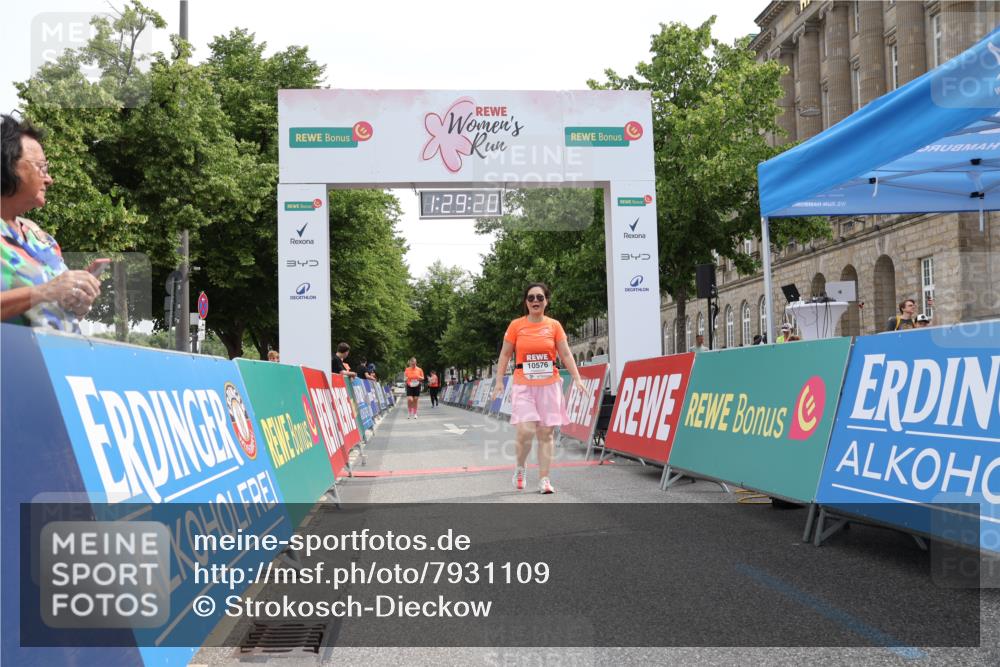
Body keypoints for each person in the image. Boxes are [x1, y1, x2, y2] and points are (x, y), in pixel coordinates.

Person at [1, 115, 101, 331]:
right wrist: (44, 291)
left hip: (56, 352)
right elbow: (45, 292)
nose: (49, 179)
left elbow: (54, 313)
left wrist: (77, 302)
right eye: (42, 168)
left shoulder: (42, 239)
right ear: (8, 165)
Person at [492, 282, 587, 495]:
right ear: (526, 302)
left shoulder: (554, 325)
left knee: (546, 433)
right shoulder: (516, 325)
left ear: (547, 301)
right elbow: (505, 355)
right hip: (523, 384)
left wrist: (577, 378)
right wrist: (499, 381)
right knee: (525, 431)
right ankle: (520, 467)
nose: (535, 301)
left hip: (549, 385)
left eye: (540, 297)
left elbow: (566, 353)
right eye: (531, 298)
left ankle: (544, 479)